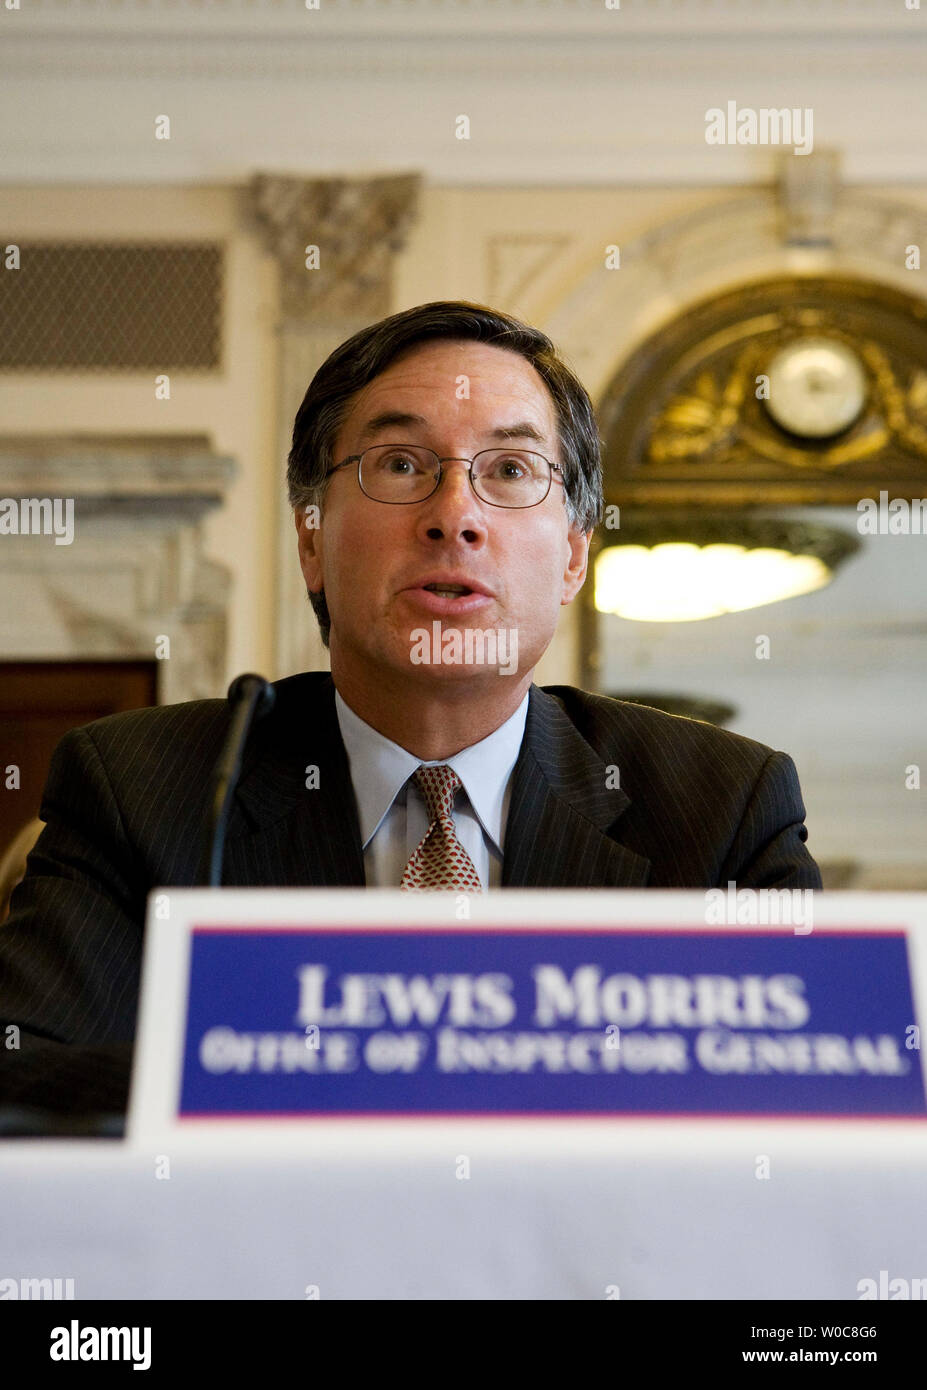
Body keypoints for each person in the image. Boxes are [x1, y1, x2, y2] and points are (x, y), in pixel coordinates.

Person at [0, 300, 821, 1115]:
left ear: (573, 556)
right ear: (312, 539)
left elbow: (822, 1102)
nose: (454, 516)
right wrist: (378, 1079)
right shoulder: (144, 789)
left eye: (508, 469)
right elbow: (22, 1087)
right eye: (399, 464)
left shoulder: (720, 808)